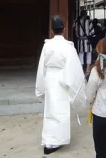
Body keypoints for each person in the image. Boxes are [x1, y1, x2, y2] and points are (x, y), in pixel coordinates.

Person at [36, 15, 88, 155]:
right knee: (60, 110)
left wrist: (40, 86)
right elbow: (74, 68)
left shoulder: (47, 45)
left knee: (51, 110)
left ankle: (50, 140)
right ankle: (55, 141)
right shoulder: (67, 46)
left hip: (50, 79)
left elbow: (42, 67)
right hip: (63, 80)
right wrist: (73, 84)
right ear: (64, 30)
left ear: (52, 31)